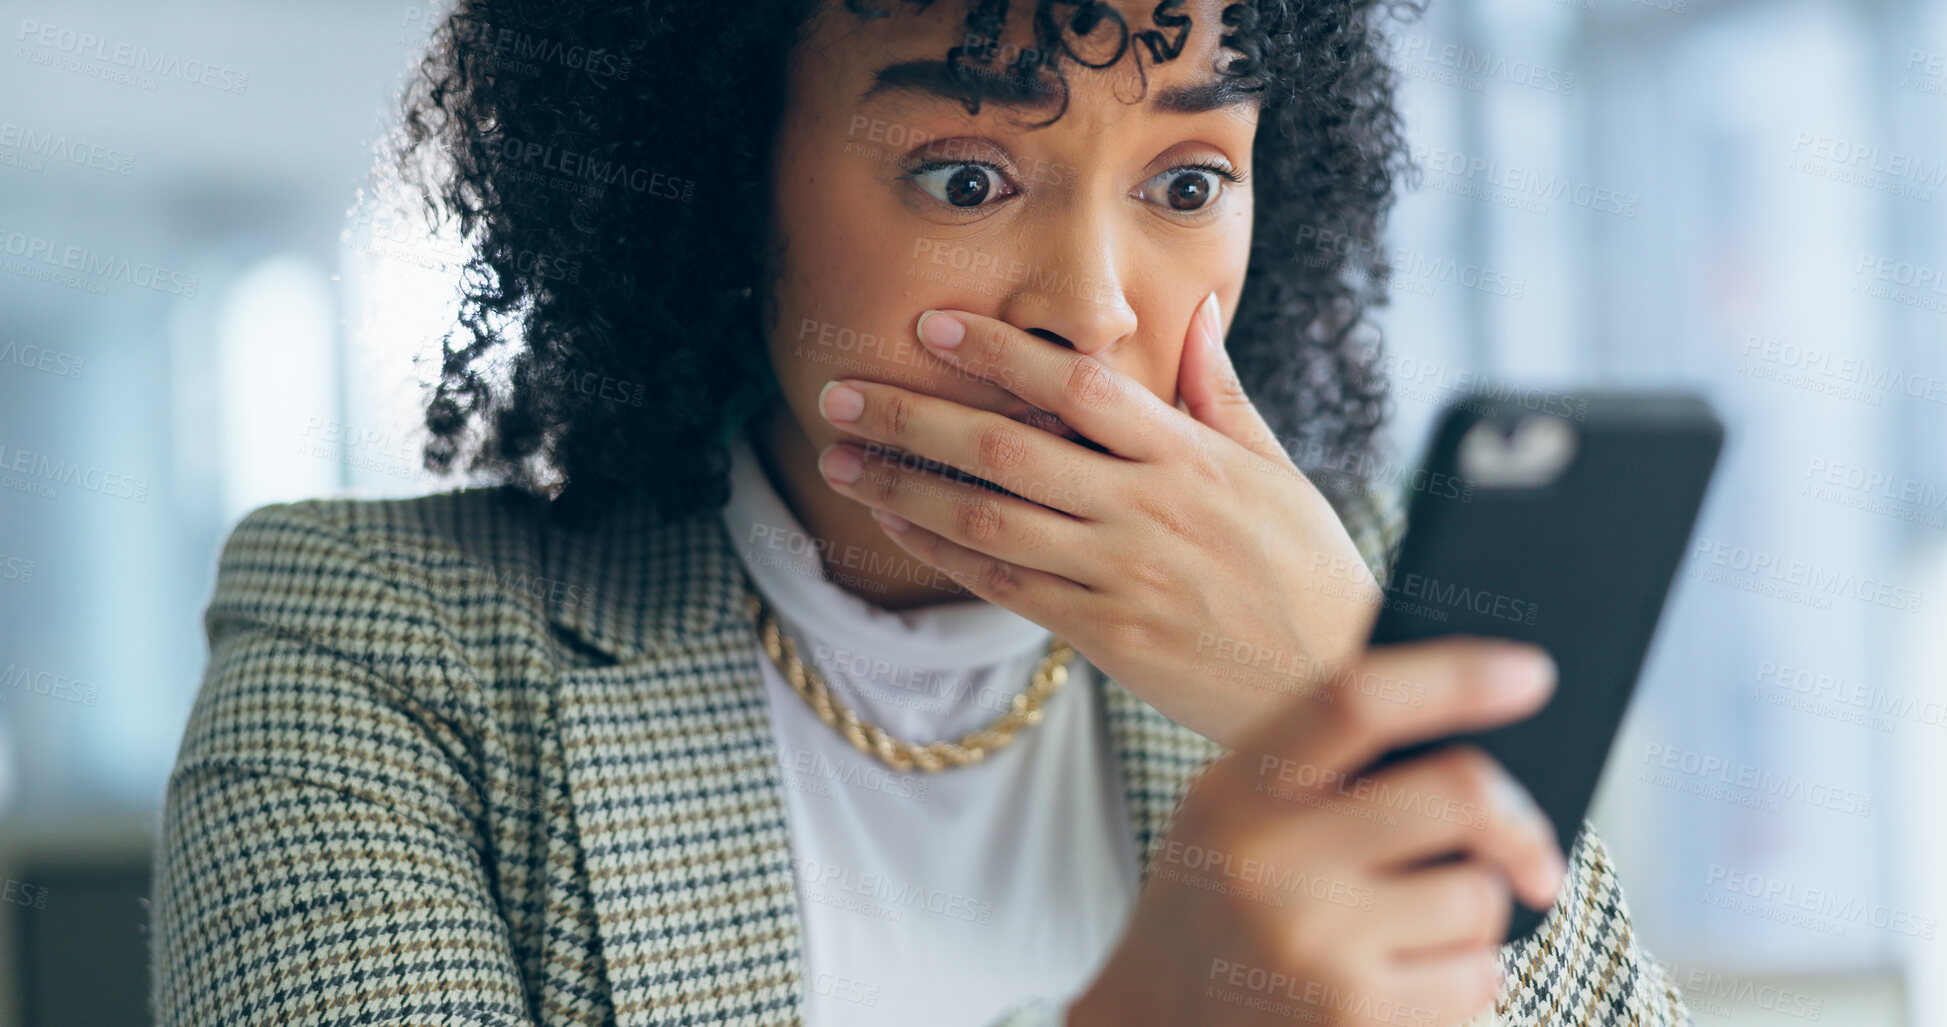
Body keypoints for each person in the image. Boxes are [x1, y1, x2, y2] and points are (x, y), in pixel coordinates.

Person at [149, 1, 1690, 1024]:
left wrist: (1348, 713)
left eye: (1186, 183)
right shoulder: (368, 643)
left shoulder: (1339, 592)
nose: (1093, 312)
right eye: (965, 179)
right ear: (716, 186)